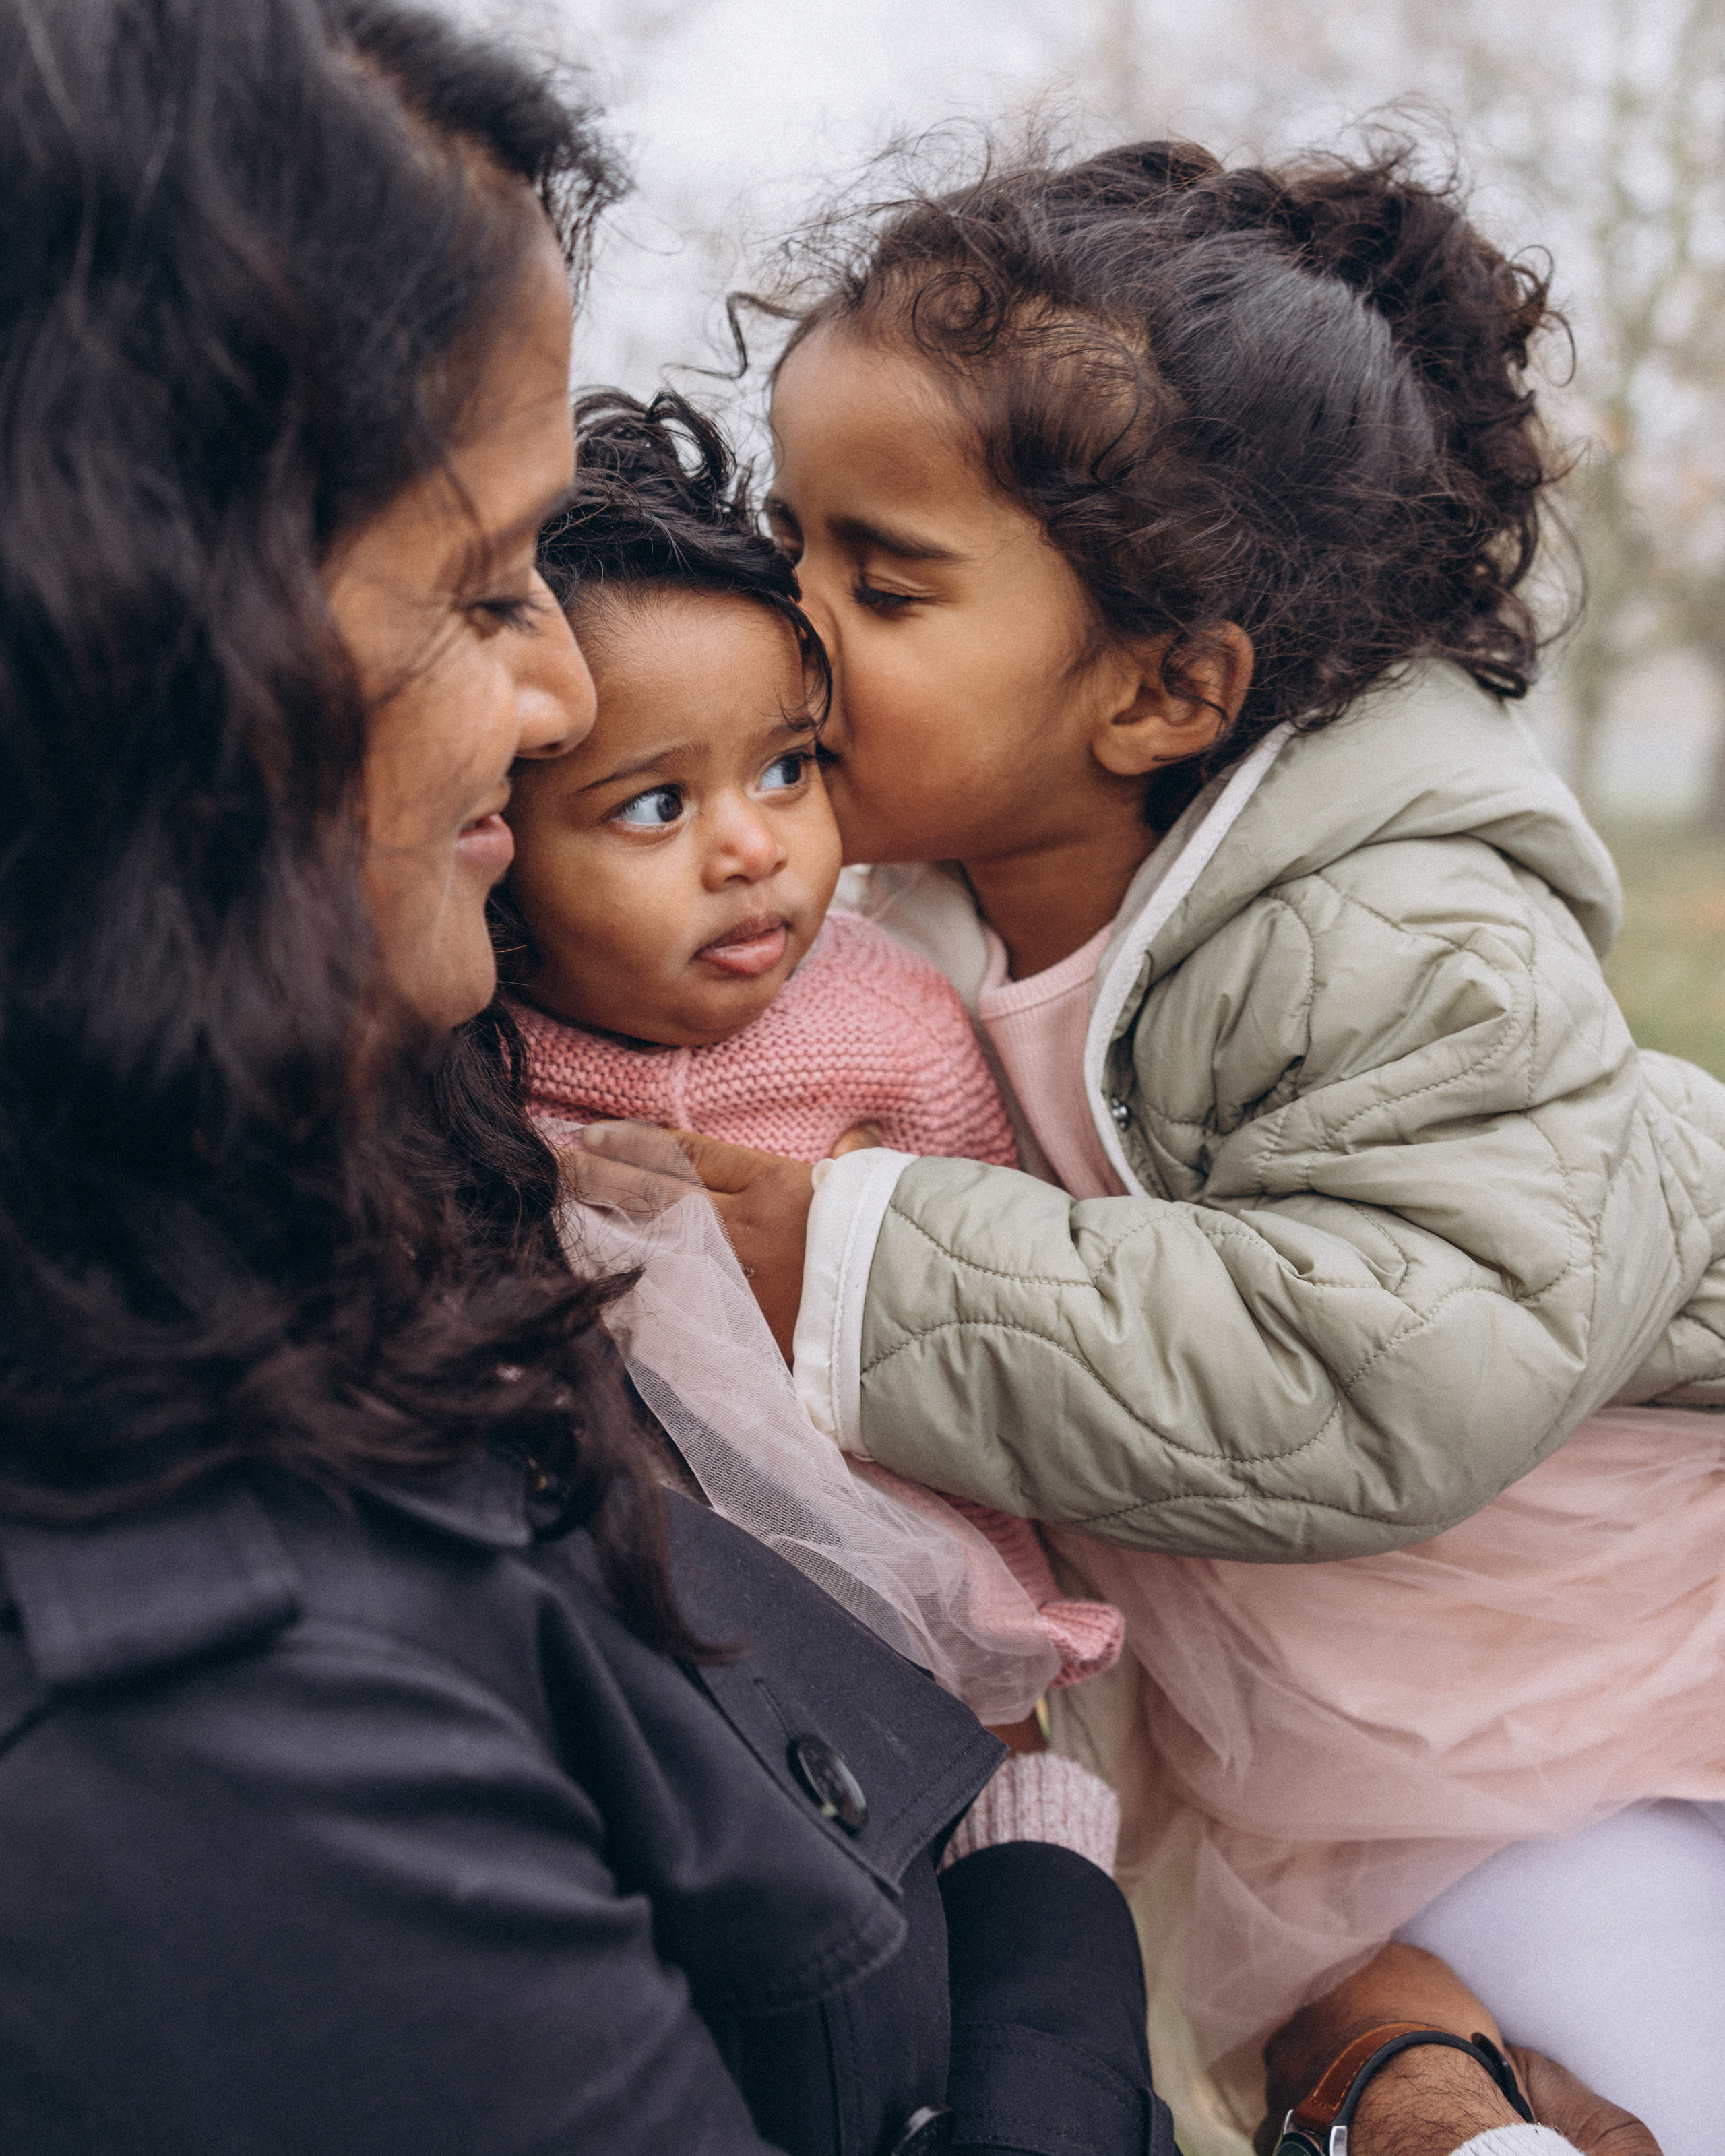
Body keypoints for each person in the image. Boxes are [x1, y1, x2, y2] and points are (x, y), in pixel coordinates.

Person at [0, 7, 1168, 2151]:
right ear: (133, 652)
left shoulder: (360, 1163)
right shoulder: (202, 1731)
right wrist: (1056, 1947)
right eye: (475, 586)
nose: (556, 698)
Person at [619, 141, 1725, 2150]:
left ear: (1160, 689)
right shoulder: (894, 900)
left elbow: (1384, 1364)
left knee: (1632, 2054)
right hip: (1294, 1675)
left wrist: (854, 1266)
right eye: (795, 542)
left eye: (883, 578)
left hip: (1582, 1661)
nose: (794, 616)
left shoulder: (1396, 917)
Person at [495, 385, 1123, 1721]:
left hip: (911, 1588)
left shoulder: (890, 1015)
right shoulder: (476, 1062)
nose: (752, 847)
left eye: (786, 768)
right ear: (497, 844)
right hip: (619, 1626)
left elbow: (989, 1289)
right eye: (655, 804)